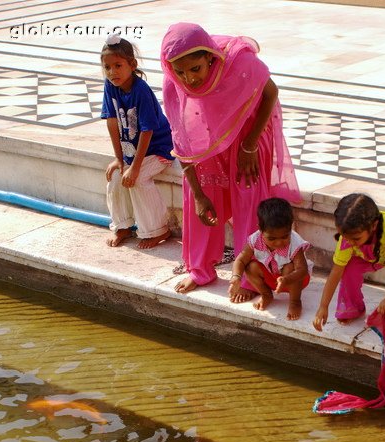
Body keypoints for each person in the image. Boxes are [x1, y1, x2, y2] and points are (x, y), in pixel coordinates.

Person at [160, 22, 300, 295]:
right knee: (201, 204)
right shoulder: (172, 83)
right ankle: (199, 270)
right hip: (207, 143)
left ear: (210, 58)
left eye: (195, 69)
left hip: (248, 138)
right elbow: (182, 141)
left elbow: (270, 92)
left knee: (249, 200)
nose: (189, 79)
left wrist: (249, 147)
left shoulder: (240, 64)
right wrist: (198, 195)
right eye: (180, 72)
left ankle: (251, 277)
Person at [101, 35, 174, 249]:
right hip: (130, 152)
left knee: (138, 178)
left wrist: (135, 167)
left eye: (118, 65)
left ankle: (158, 230)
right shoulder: (110, 85)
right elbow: (112, 121)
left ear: (132, 65)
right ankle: (123, 226)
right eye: (107, 67)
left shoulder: (141, 90)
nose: (112, 72)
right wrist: (119, 159)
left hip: (159, 149)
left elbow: (147, 130)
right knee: (115, 176)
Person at [313, 194, 385, 333]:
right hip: (370, 253)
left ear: (373, 226)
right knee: (348, 269)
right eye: (346, 238)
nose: (350, 242)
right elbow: (336, 271)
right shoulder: (348, 238)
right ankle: (352, 308)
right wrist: (323, 306)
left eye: (355, 238)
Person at [229, 198, 311, 320]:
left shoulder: (295, 242)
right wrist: (236, 277)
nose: (278, 242)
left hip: (295, 279)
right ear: (261, 230)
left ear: (290, 227)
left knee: (289, 267)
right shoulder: (255, 239)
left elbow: (302, 270)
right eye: (272, 239)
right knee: (250, 267)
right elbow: (241, 260)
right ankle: (266, 294)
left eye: (284, 237)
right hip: (272, 278)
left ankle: (295, 301)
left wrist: (286, 279)